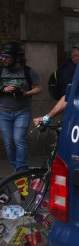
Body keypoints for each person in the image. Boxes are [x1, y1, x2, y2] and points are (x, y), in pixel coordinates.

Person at [0, 41, 42, 171]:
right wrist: (4, 89)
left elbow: (38, 88)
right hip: (3, 112)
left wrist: (25, 93)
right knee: (8, 143)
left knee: (19, 140)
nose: (4, 60)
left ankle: (22, 168)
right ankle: (16, 168)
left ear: (17, 58)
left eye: (7, 57)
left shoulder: (28, 71)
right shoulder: (1, 70)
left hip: (22, 112)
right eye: (2, 56)